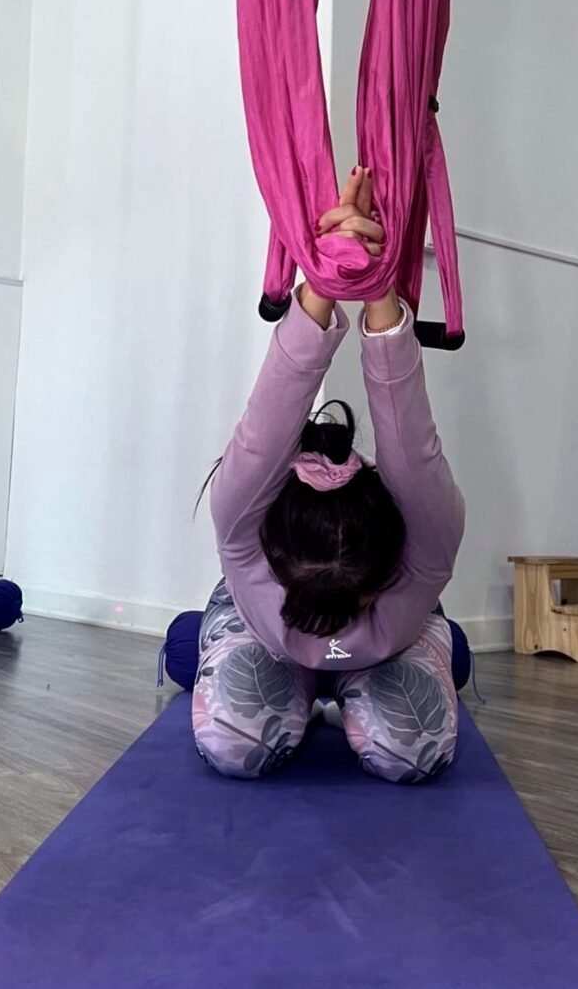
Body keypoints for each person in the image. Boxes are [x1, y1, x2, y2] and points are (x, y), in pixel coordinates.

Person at [193, 168, 466, 784]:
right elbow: (271, 417)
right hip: (264, 637)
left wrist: (377, 283)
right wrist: (331, 274)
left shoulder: (427, 541)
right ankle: (270, 672)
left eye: (349, 604)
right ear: (270, 550)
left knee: (411, 751)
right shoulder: (242, 524)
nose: (332, 625)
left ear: (394, 558)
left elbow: (406, 436)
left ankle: (371, 682)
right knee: (237, 744)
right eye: (313, 606)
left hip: (392, 644)